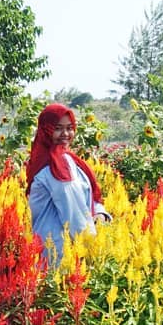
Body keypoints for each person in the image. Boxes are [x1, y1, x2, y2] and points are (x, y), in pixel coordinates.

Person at [26, 103, 110, 264]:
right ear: (46, 130)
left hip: (59, 250)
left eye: (69, 127)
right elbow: (73, 213)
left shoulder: (63, 159)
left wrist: (100, 212)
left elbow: (84, 195)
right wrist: (92, 247)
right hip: (60, 254)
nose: (65, 133)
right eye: (58, 128)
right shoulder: (56, 165)